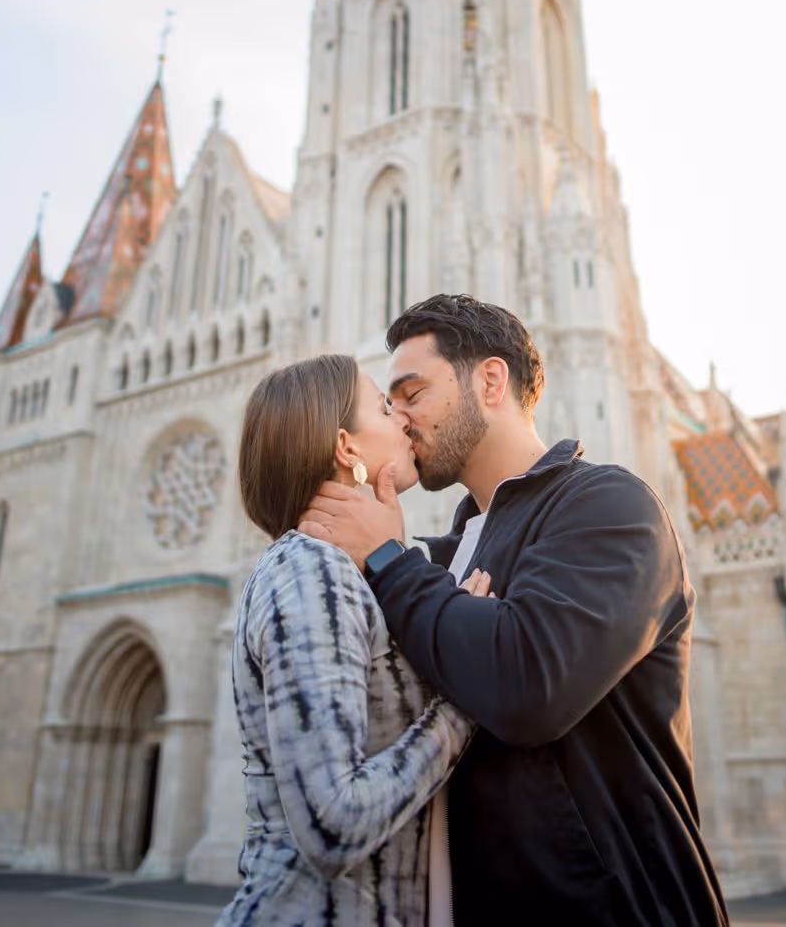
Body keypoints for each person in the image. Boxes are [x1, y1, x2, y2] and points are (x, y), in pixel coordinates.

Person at [300, 295, 731, 926]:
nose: (401, 419)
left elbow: (530, 683)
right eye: (389, 405)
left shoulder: (610, 506)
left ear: (491, 381)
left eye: (413, 393)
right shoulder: (443, 557)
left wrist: (391, 562)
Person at [217, 352, 482, 927]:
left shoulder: (346, 572)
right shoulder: (309, 570)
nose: (405, 419)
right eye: (386, 408)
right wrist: (465, 704)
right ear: (347, 448)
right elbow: (333, 824)